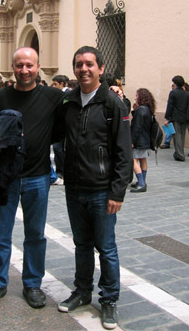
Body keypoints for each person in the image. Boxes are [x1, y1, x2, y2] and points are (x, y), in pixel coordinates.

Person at [0, 47, 63, 309]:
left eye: (29, 65)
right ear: (12, 67)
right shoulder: (0, 97)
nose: (24, 70)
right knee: (0, 234)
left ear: (38, 67)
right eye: (19, 65)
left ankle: (33, 284)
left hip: (37, 177)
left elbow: (62, 131)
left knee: (35, 235)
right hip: (5, 178)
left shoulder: (53, 97)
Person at [58, 46, 133, 331]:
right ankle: (82, 291)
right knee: (81, 246)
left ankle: (110, 300)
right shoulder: (67, 102)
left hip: (102, 190)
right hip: (74, 188)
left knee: (107, 248)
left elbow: (124, 152)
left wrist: (117, 192)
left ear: (100, 68)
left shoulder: (114, 104)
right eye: (79, 64)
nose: (84, 69)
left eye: (89, 64)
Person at [130, 88, 156, 193]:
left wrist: (132, 141)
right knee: (143, 159)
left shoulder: (141, 110)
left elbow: (137, 126)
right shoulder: (148, 109)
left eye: (137, 96)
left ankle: (141, 183)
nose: (135, 97)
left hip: (139, 139)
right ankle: (143, 181)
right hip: (146, 139)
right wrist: (134, 110)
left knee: (133, 160)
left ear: (141, 97)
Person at [164, 75, 189, 161]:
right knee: (182, 135)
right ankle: (179, 152)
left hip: (176, 117)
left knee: (177, 136)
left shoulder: (173, 92)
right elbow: (188, 106)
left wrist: (167, 118)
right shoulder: (186, 93)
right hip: (184, 117)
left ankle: (180, 154)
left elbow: (170, 106)